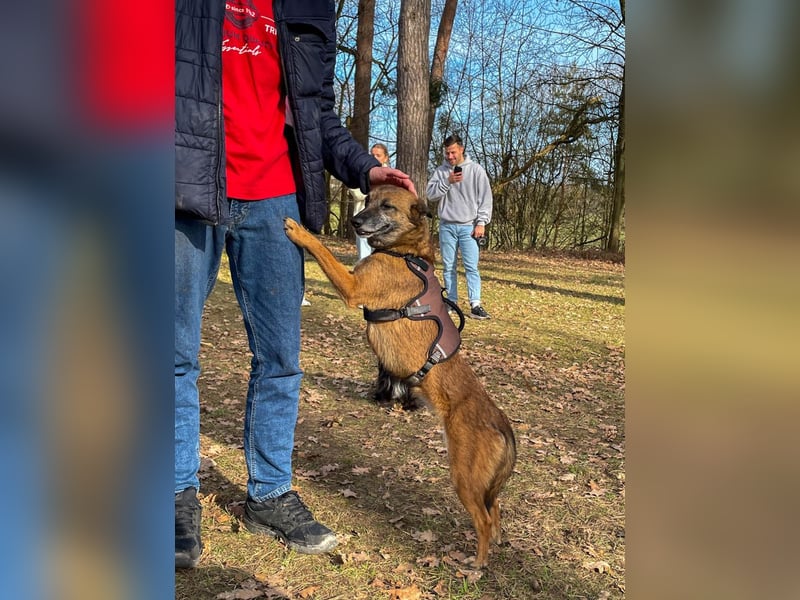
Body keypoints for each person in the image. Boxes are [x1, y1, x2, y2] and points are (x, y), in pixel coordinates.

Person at [175, 0, 416, 570]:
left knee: (281, 357)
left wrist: (364, 167)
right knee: (172, 355)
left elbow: (318, 118)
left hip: (275, 199)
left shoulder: (310, 7)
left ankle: (270, 494)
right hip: (184, 188)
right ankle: (174, 495)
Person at [425, 134, 493, 320]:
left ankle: (475, 304)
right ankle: (451, 302)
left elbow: (485, 198)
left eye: (453, 152)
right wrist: (447, 182)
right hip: (447, 225)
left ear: (461, 149)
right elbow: (430, 195)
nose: (450, 157)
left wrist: (481, 222)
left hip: (468, 227)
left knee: (471, 266)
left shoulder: (477, 171)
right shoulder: (441, 172)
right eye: (447, 153)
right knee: (448, 266)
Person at [350, 143, 390, 262]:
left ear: (385, 158)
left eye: (378, 155)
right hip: (362, 220)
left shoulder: (391, 175)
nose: (374, 158)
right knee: (364, 257)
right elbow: (358, 195)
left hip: (383, 223)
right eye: (372, 155)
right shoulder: (361, 174)